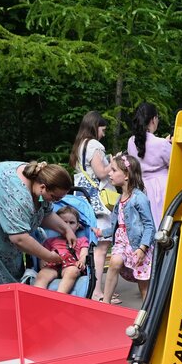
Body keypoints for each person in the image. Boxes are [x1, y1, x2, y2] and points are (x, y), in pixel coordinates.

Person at [0, 160, 77, 286]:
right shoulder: (17, 194)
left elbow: (45, 213)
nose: (55, 202)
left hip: (7, 248)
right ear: (43, 187)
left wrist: (66, 229)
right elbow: (19, 238)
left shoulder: (39, 183)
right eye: (54, 197)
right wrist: (49, 256)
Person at [70, 111, 113, 300]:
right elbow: (102, 172)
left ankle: (92, 288)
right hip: (97, 200)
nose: (103, 133)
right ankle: (96, 291)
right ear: (96, 126)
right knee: (101, 247)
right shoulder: (94, 145)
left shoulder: (79, 145)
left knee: (90, 245)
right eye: (103, 129)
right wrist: (114, 161)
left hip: (83, 197)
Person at [100, 153, 155, 302]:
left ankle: (148, 312)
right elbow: (117, 223)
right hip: (121, 242)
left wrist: (143, 248)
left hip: (137, 244)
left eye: (114, 170)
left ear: (126, 175)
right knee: (114, 263)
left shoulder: (139, 198)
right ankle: (105, 302)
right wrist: (101, 232)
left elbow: (150, 225)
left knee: (143, 283)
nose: (109, 173)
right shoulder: (120, 198)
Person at [127, 102, 171, 226]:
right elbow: (174, 163)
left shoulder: (131, 141)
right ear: (153, 120)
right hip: (161, 188)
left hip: (140, 186)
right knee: (162, 223)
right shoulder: (161, 143)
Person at [35, 206, 90, 294]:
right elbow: (43, 254)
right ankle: (38, 297)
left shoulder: (81, 240)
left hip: (71, 265)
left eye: (71, 222)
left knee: (72, 271)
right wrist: (42, 262)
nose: (67, 226)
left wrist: (82, 261)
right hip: (52, 265)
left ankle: (60, 295)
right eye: (64, 223)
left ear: (78, 226)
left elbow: (84, 253)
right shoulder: (50, 241)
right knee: (42, 275)